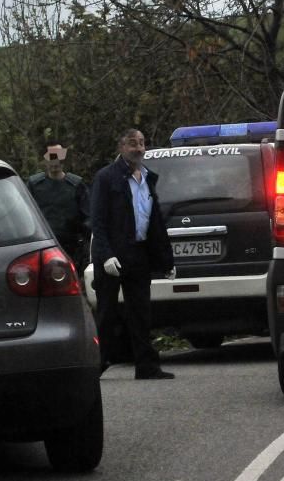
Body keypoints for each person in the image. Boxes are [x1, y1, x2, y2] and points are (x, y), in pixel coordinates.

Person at [90, 129, 176, 380]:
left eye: (141, 143)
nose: (138, 148)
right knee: (106, 312)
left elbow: (155, 222)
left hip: (138, 254)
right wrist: (105, 255)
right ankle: (97, 364)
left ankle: (146, 365)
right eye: (132, 144)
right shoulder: (106, 178)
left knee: (140, 311)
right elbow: (98, 221)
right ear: (121, 147)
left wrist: (166, 260)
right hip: (112, 256)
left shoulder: (148, 178)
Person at [27, 141, 92, 273]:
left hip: (71, 247)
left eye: (58, 157)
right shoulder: (35, 185)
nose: (55, 162)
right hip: (42, 245)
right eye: (51, 157)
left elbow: (89, 217)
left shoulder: (76, 185)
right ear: (45, 159)